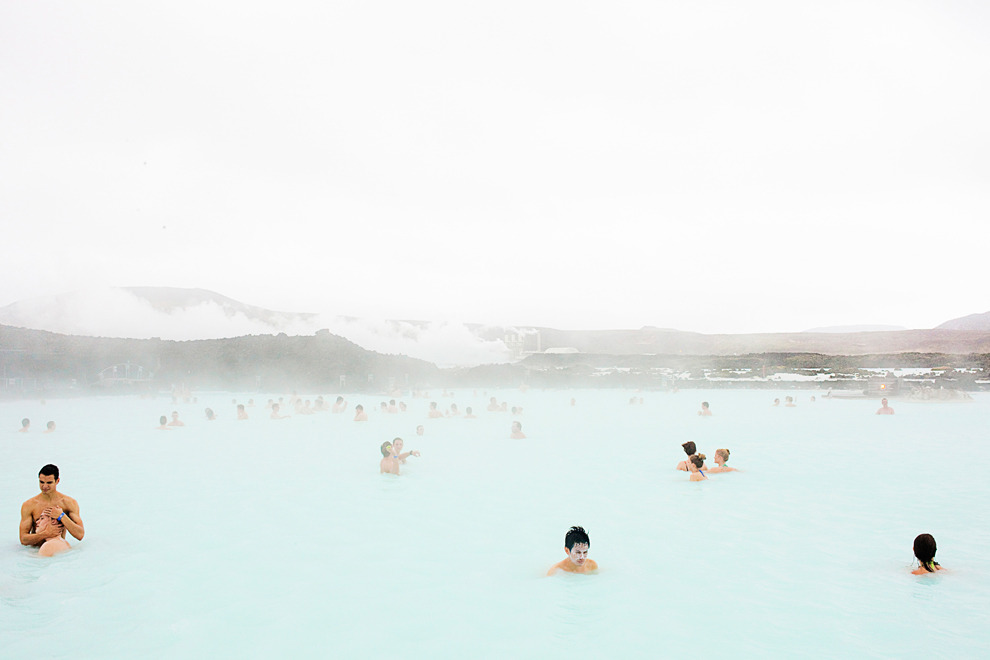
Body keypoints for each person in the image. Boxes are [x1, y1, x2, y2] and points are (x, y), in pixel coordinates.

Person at [20, 464, 85, 557]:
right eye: (41, 482)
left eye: (49, 483)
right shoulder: (29, 505)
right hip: (35, 552)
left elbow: (80, 535)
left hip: (58, 552)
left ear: (57, 481)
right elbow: (23, 539)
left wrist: (61, 516)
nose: (44, 486)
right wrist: (45, 534)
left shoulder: (68, 503)